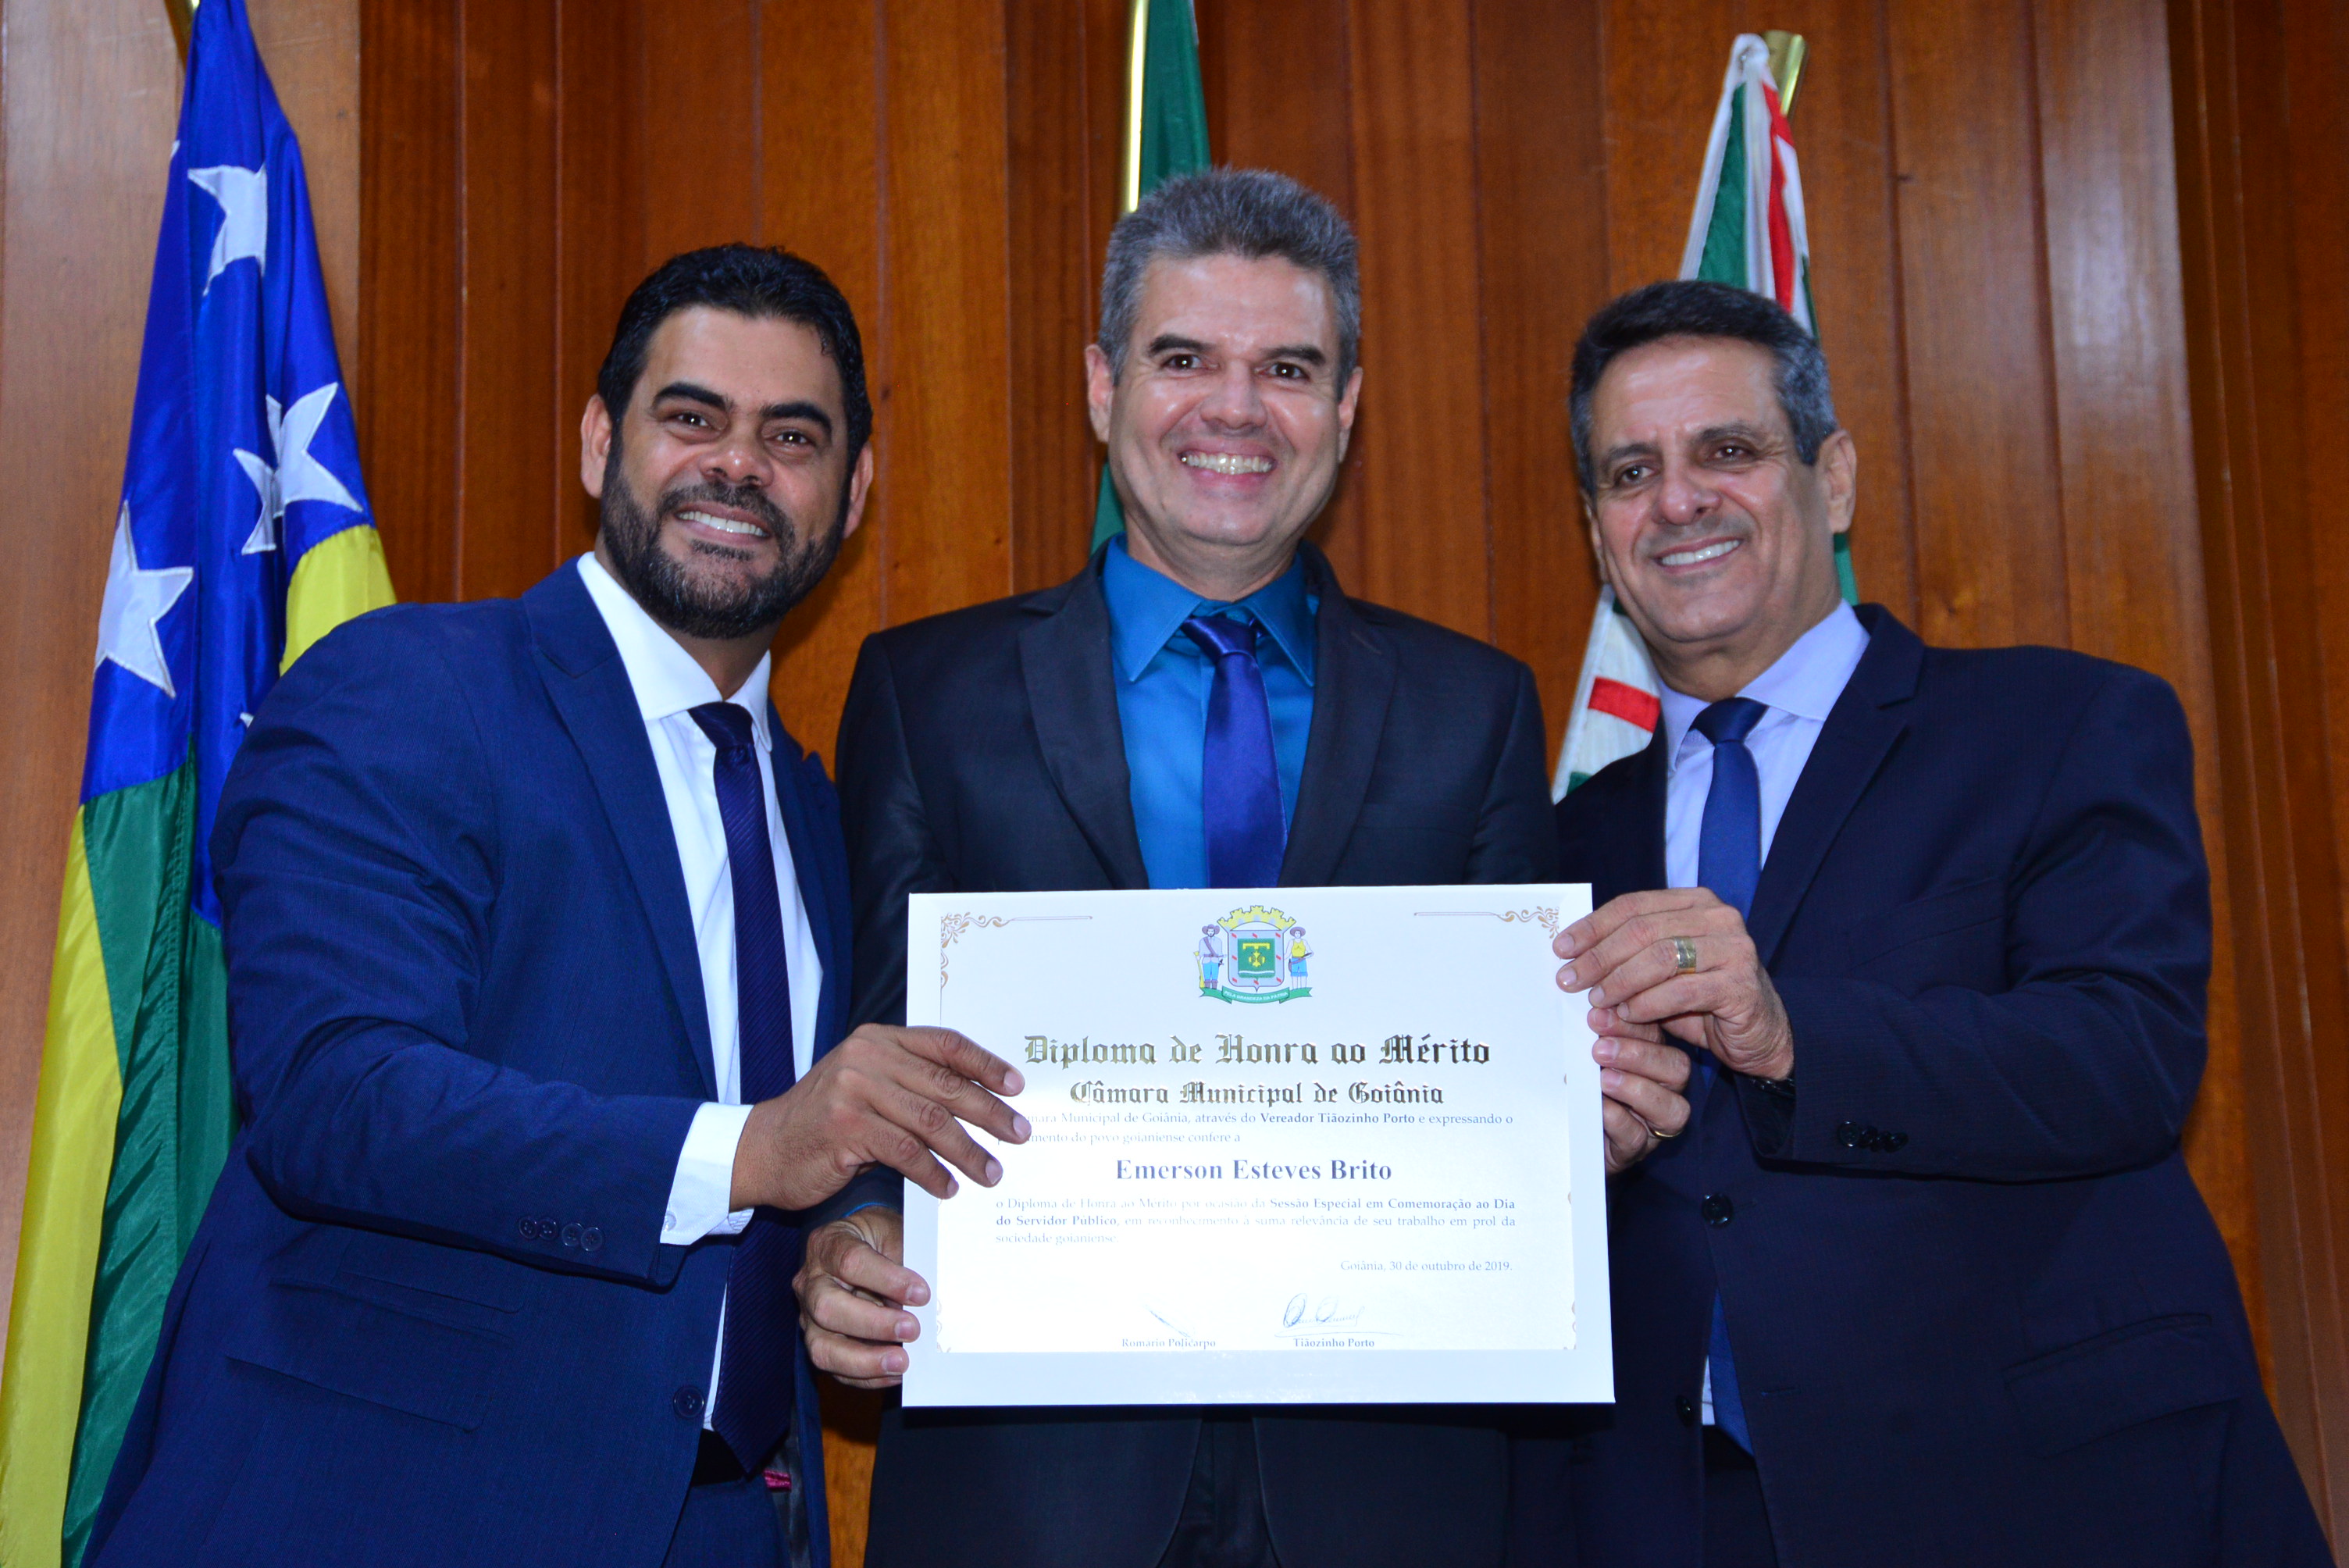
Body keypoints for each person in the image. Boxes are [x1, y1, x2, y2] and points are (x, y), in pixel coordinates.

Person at [796, 169, 1689, 1568]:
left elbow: (1521, 1094)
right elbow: (873, 1041)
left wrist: (1585, 1132)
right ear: (1103, 388)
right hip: (1029, 1487)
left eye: (1287, 368)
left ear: (1346, 407)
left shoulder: (1473, 710)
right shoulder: (929, 692)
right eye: (1183, 360)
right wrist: (853, 1237)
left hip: (1386, 1490)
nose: (1235, 408)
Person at [87, 246, 1026, 1568]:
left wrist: (843, 1249)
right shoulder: (408, 687)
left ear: (854, 490)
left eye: (792, 436)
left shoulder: (817, 811)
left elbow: (810, 1155)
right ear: (599, 443)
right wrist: (752, 1151)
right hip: (382, 1519)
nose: (738, 465)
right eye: (691, 416)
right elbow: (335, 1096)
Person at [1536, 278, 2328, 1566]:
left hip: (2038, 1498)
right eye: (1633, 472)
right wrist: (1577, 1153)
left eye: (1727, 450)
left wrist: (1792, 1037)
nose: (1678, 500)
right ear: (1597, 528)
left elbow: (2126, 1063)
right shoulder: (1555, 846)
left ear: (1834, 478)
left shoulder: (2061, 726)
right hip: (1684, 1514)